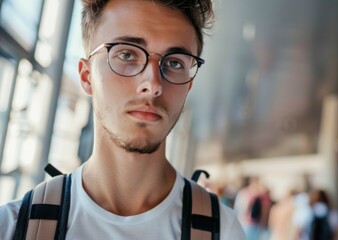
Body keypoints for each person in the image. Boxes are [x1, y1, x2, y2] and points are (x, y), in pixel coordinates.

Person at [0, 0, 245, 239]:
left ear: (188, 86)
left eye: (173, 63)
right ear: (87, 77)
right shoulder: (12, 227)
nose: (152, 84)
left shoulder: (223, 230)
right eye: (127, 55)